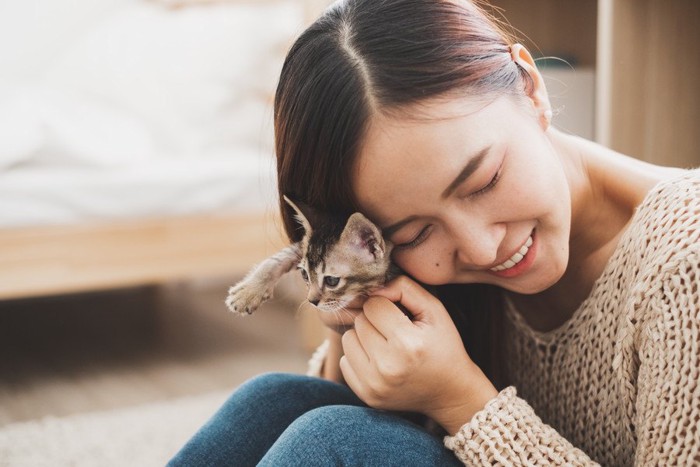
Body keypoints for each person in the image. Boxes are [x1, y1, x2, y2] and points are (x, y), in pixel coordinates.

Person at [169, 0, 700, 465]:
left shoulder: (684, 261)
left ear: (531, 88)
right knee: (274, 402)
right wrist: (350, 331)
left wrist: (460, 400)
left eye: (485, 181)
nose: (482, 248)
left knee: (334, 441)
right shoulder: (426, 274)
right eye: (416, 233)